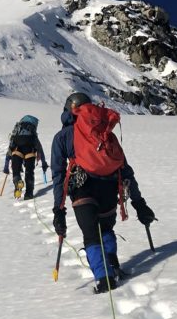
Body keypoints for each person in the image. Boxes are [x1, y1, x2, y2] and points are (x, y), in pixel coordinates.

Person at [50, 92, 156, 293]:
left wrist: (59, 209)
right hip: (109, 187)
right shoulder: (106, 133)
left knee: (91, 235)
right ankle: (113, 266)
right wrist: (139, 203)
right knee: (105, 230)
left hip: (82, 189)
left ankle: (104, 278)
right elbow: (124, 169)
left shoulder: (62, 137)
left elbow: (57, 175)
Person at [2, 115, 48, 200]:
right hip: (30, 151)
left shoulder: (16, 133)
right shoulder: (33, 135)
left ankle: (18, 181)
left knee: (16, 169)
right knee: (29, 172)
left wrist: (6, 167)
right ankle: (29, 194)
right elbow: (40, 150)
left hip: (17, 150)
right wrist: (44, 164)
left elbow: (9, 151)